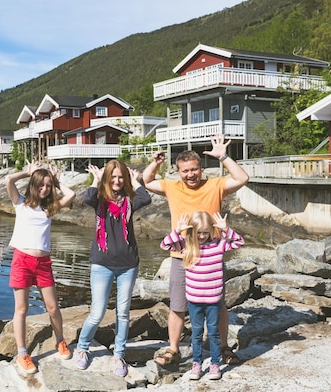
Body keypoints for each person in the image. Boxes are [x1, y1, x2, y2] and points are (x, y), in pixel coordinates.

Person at [142, 134, 249, 367]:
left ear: (201, 169)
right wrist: (156, 163)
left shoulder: (216, 185)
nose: (190, 174)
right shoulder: (172, 187)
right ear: (179, 172)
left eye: (194, 169)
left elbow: (242, 177)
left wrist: (224, 157)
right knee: (178, 306)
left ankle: (223, 347)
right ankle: (173, 349)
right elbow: (147, 181)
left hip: (211, 255)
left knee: (218, 306)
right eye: (185, 171)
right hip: (181, 256)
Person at [73, 160, 152, 377]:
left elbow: (146, 198)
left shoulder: (130, 200)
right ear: (107, 178)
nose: (117, 181)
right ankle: (82, 348)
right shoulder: (99, 200)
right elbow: (86, 197)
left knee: (123, 313)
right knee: (97, 313)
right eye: (113, 177)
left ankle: (119, 355)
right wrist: (97, 179)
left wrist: (135, 181)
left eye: (120, 177)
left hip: (128, 265)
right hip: (101, 264)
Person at [5, 160, 76, 374]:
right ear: (34, 185)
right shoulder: (20, 203)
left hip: (43, 263)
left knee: (53, 307)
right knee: (22, 309)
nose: (44, 189)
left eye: (47, 186)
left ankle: (60, 341)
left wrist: (57, 180)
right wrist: (27, 174)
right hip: (22, 261)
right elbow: (8, 180)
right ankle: (22, 353)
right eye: (41, 185)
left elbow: (70, 195)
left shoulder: (49, 208)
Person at [160, 211, 245, 380]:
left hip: (213, 300)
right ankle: (196, 364)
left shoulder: (218, 245)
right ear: (192, 232)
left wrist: (225, 229)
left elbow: (239, 242)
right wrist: (178, 231)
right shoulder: (186, 247)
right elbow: (165, 245)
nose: (202, 236)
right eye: (198, 232)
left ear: (211, 231)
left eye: (205, 232)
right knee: (196, 333)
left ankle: (214, 364)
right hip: (194, 301)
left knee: (213, 332)